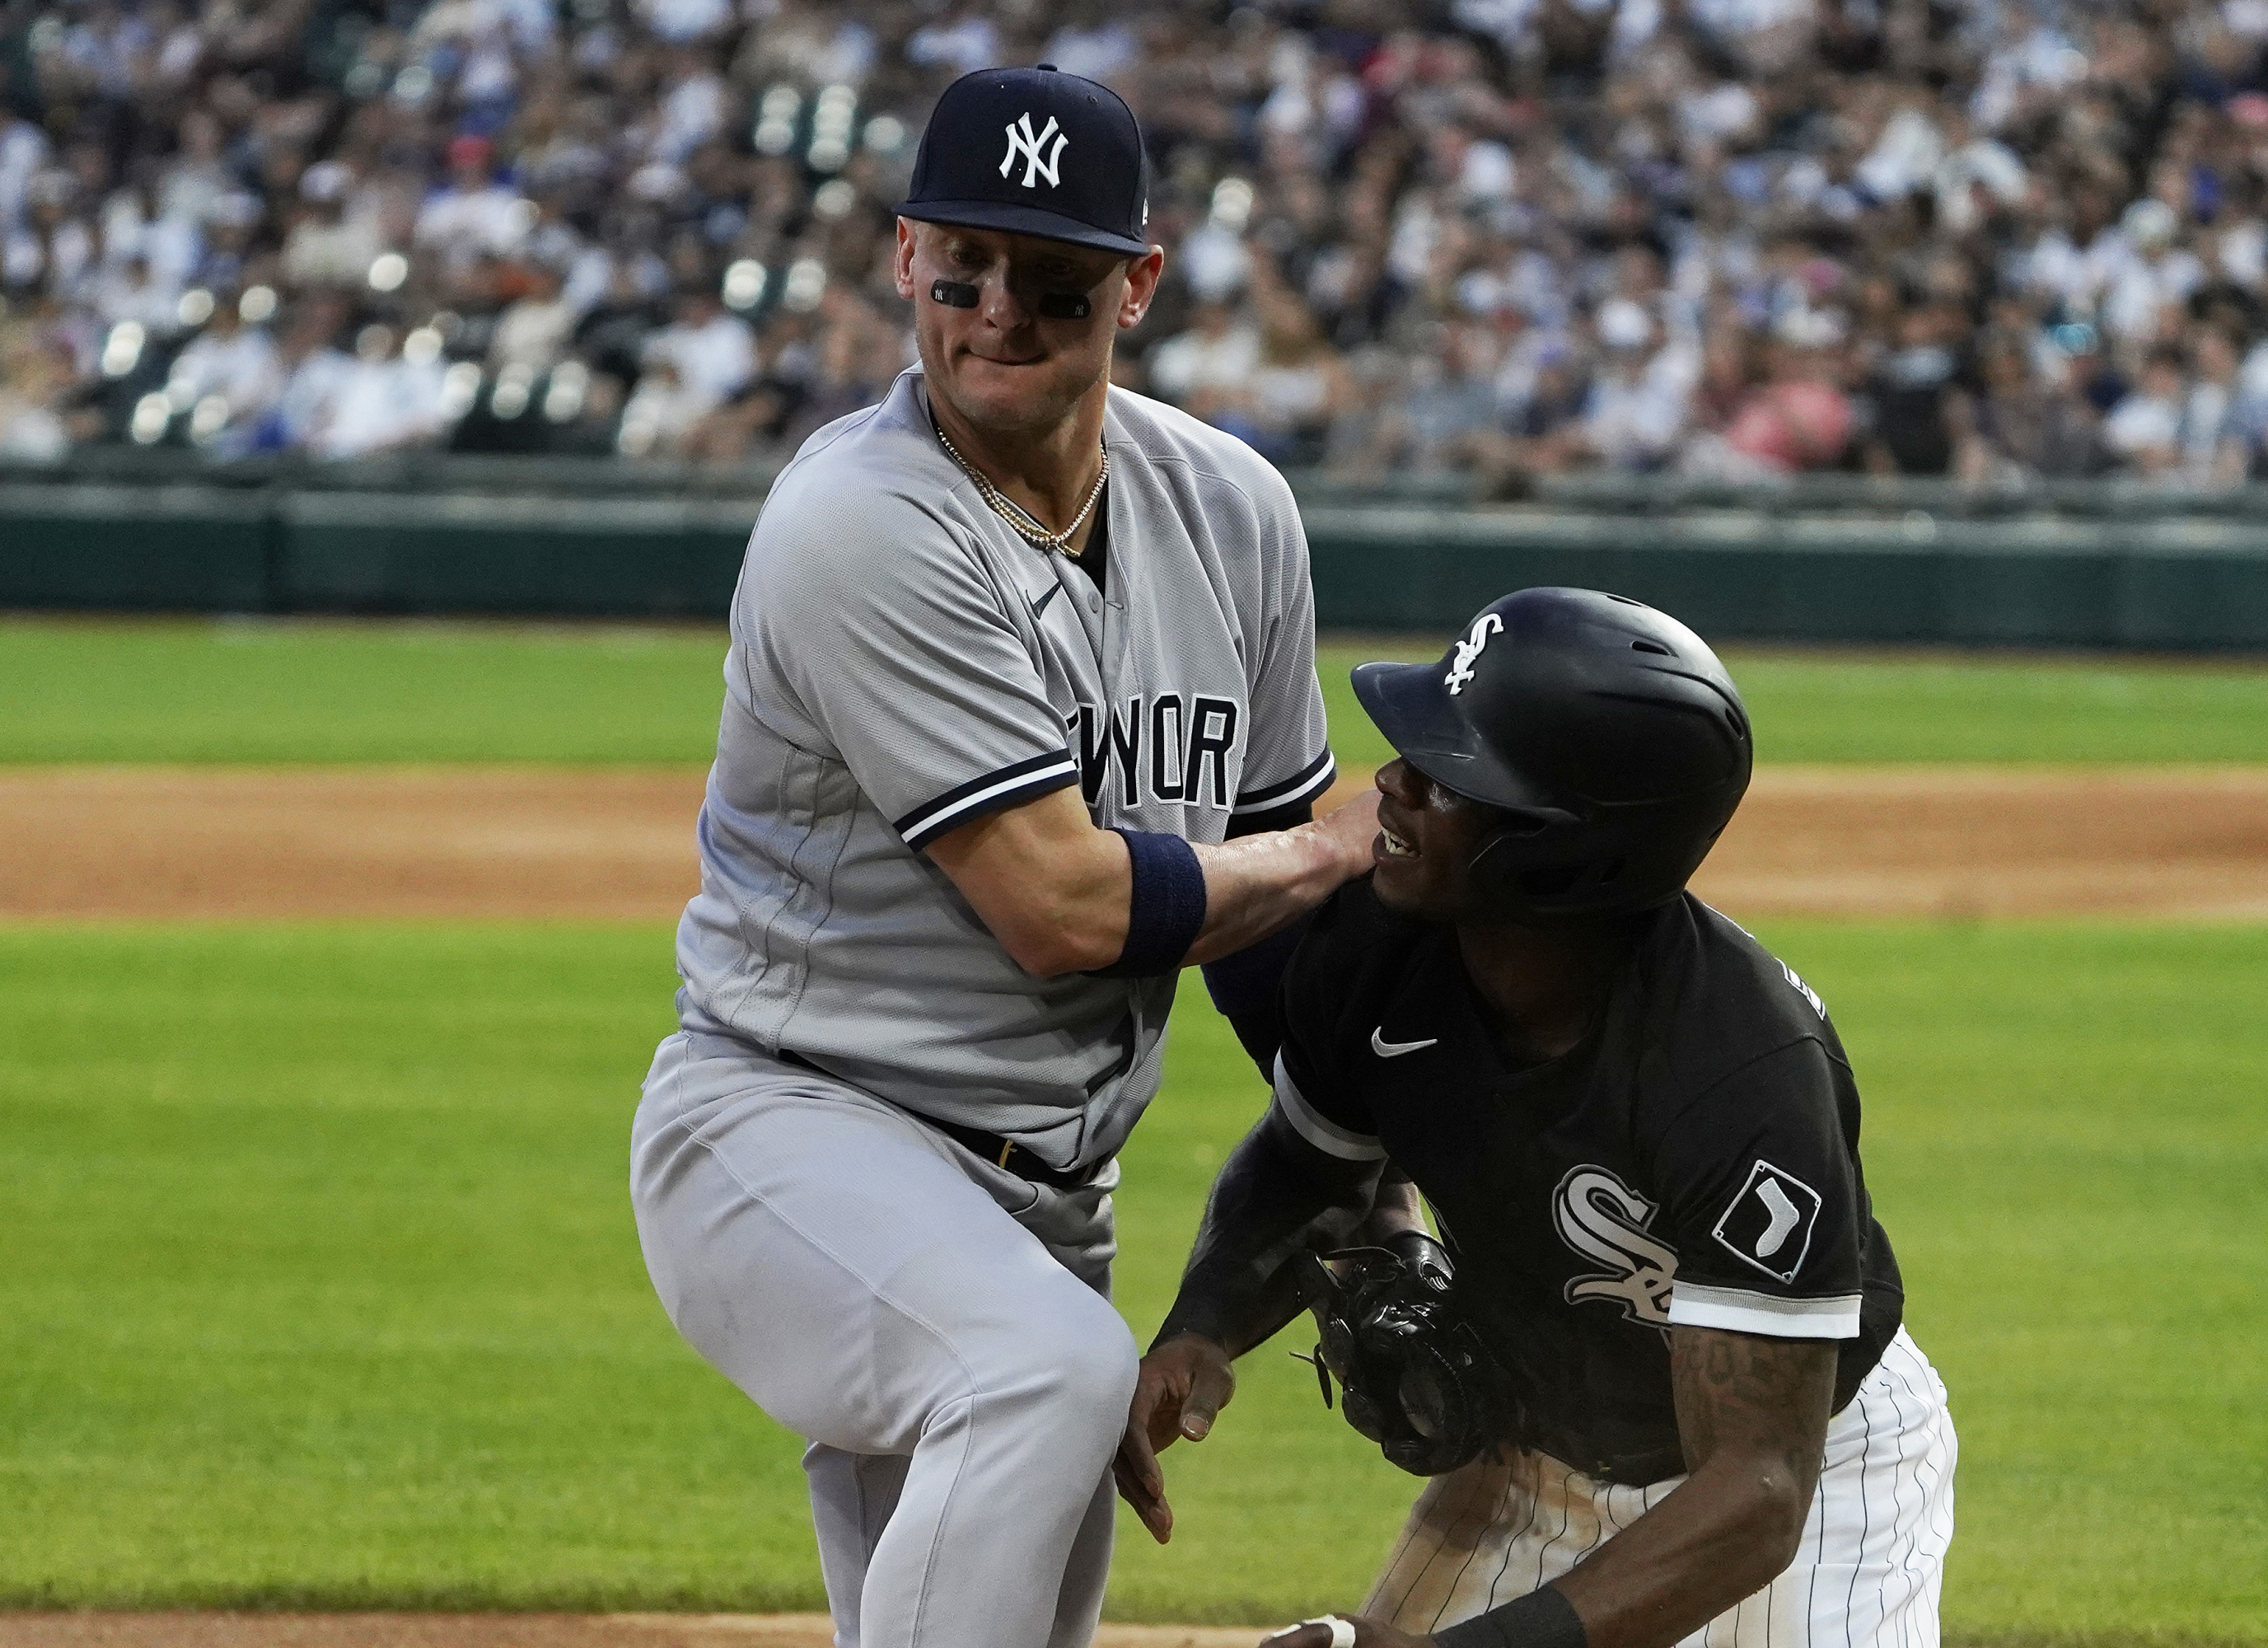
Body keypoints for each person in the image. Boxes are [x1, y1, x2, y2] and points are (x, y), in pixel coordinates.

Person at [627, 65, 1377, 1648]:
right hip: (793, 1135)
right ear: (905, 259)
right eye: (960, 271)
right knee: (1040, 1369)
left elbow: (1275, 963)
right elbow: (1064, 908)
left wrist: (1381, 1166)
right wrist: (1319, 856)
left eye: (1053, 283)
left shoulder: (1232, 512)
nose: (996, 315)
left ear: (1138, 287)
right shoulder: (860, 522)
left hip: (1039, 1211)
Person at [1125, 589, 1956, 1648]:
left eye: (1447, 776)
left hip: (1803, 1475)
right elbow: (1309, 1161)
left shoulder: (1740, 1071)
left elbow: (1754, 1492)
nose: (1391, 783)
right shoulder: (1373, 947)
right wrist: (1201, 1323)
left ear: (1559, 851)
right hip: (1538, 1453)